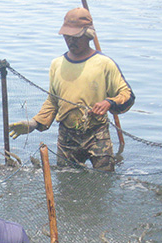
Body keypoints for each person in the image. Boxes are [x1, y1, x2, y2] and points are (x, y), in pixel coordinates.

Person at [9, 8, 134, 172]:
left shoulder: (104, 64)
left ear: (88, 35)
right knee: (67, 180)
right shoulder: (57, 64)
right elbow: (53, 102)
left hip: (97, 134)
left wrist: (109, 103)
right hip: (67, 136)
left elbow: (127, 95)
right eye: (66, 36)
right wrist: (34, 123)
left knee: (105, 180)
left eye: (75, 36)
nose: (70, 41)